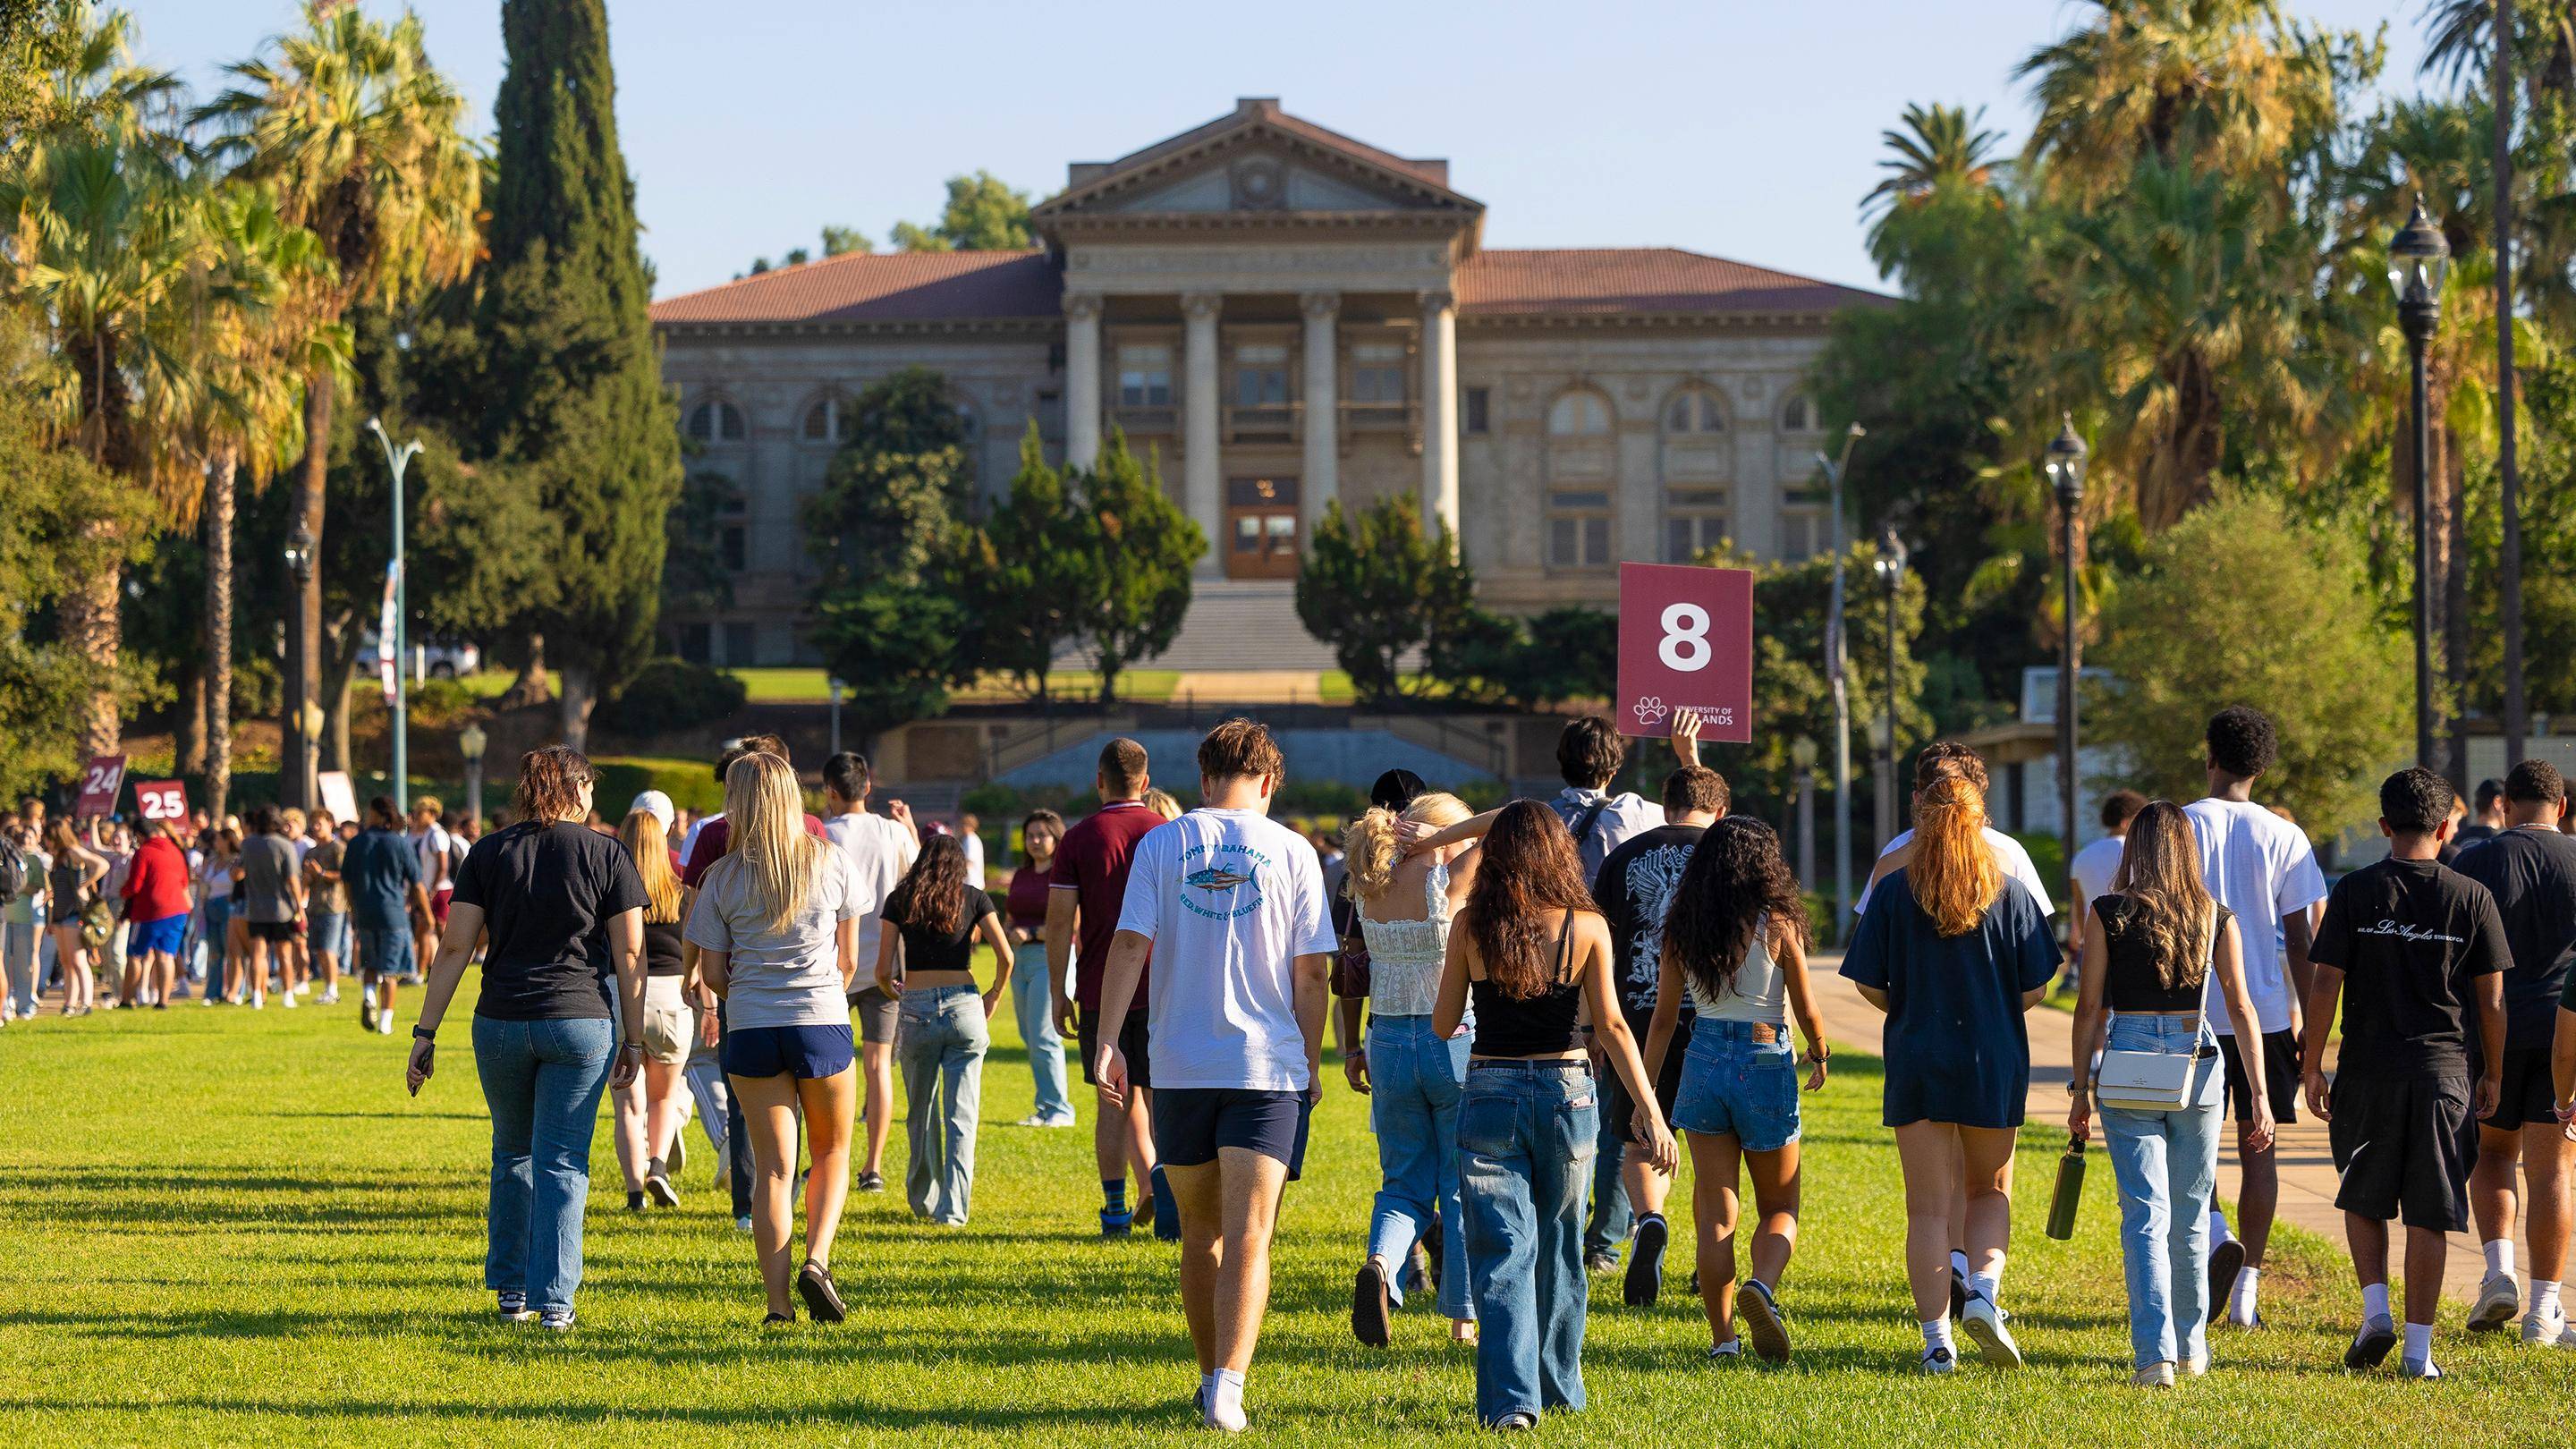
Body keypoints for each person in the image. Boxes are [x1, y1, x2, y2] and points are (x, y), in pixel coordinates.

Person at [1091, 720, 1337, 1433]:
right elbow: (1314, 971)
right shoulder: (1292, 849)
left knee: (1201, 1231)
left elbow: (1130, 944)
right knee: (1251, 1233)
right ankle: (1228, 1387)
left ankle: (1210, 1381)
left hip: (1179, 1065)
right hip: (1265, 1067)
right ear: (1268, 783)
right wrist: (1311, 1061)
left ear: (1203, 780)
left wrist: (1110, 1041)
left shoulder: (1161, 842)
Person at [1428, 801, 1675, 1428]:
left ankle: (1512, 1403)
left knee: (1501, 1248)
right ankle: (1558, 1387)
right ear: (1559, 854)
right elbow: (1614, 1026)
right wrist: (1650, 1110)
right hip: (1568, 1093)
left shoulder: (1471, 927)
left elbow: (1442, 1022)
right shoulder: (1587, 926)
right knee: (1562, 1245)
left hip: (1489, 1091)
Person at [406, 745, 650, 1331]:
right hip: (580, 1021)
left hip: (501, 1022)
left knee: (511, 1152)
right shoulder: (607, 854)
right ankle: (556, 1302)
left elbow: (456, 948)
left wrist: (425, 1031)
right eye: (589, 787)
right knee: (562, 1161)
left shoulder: (487, 853)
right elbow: (630, 952)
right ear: (578, 790)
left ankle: (512, 1290)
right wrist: (634, 1039)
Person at [1843, 770, 2060, 1373]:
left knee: (1928, 1211)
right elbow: (2037, 984)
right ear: (1978, 817)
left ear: (1923, 817)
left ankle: (1937, 1340)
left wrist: (1908, 1008)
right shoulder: (2010, 892)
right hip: (1993, 1056)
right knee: (1988, 1189)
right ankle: (1984, 1293)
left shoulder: (1892, 891)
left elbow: (1867, 981)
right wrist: (1992, 1005)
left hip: (1916, 1055)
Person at [2300, 767, 2509, 1379]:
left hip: (2366, 1071)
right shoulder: (2471, 897)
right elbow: (2492, 1001)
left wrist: (2312, 1065)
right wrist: (2491, 1072)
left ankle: (2375, 1313)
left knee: (2362, 1191)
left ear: (2384, 825)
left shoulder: (2355, 891)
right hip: (2445, 1073)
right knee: (2430, 1208)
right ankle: (2419, 1353)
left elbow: (2325, 982)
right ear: (2447, 826)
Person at [2066, 801, 2275, 1387]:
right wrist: (2258, 1093)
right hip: (2199, 1062)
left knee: (2144, 1217)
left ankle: (2153, 1358)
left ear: (2134, 848)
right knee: (2189, 1216)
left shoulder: (2109, 912)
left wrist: (2080, 1091)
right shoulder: (2215, 914)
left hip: (2129, 1057)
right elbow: (2240, 1005)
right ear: (2188, 849)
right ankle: (2192, 1347)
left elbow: (2089, 1008)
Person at [1639, 816, 1826, 1363]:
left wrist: (1647, 1097)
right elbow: (1808, 1007)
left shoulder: (1684, 927)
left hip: (1703, 1059)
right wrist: (1819, 1051)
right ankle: (1761, 1287)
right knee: (1780, 1205)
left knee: (1715, 1214)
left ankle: (1724, 1340)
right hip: (1764, 1059)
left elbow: (1663, 1021)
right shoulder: (1778, 923)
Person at [689, 749, 862, 1323]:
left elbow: (711, 972)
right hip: (820, 1020)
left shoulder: (722, 876)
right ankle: (817, 1259)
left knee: (772, 1170)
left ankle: (778, 1305)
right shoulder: (830, 861)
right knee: (832, 1150)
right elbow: (849, 960)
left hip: (753, 1026)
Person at [2182, 707, 2327, 1329]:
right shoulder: (2285, 836)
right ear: (2262, 768)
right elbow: (2303, 940)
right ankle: (2246, 1295)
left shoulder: (2178, 825)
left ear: (2210, 756)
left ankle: (2214, 1236)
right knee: (2259, 1145)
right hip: (2264, 1014)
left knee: (2192, 1145)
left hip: (2187, 1012)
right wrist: (2313, 1034)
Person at [1342, 789, 1482, 1347]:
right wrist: (1451, 840)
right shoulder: (1444, 883)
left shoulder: (1371, 886)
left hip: (1389, 1042)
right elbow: (1511, 823)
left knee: (1402, 1182)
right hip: (1452, 1040)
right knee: (1461, 1183)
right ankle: (1463, 1319)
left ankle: (1382, 1264)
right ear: (1442, 837)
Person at [1592, 750, 1728, 1309]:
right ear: (1719, 813)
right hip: (1720, 1020)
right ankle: (1710, 1259)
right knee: (1715, 1152)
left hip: (1638, 1019)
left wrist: (1590, 1027)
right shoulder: (1731, 857)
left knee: (1639, 1141)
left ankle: (1649, 1219)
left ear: (1664, 808)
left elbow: (1595, 943)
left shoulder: (1624, 857)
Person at [2448, 759, 2576, 1345]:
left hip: (2491, 1029)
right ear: (2563, 809)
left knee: (2493, 1154)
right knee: (2553, 1166)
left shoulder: (2477, 859)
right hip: (2564, 1033)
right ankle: (2545, 1311)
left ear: (2504, 804)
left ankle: (2500, 1272)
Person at [1548, 715, 1677, 1276]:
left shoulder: (1543, 819)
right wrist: (1688, 753)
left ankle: (1561, 1226)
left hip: (1550, 972)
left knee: (1565, 1109)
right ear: (1615, 765)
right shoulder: (1635, 813)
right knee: (1621, 1111)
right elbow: (1698, 816)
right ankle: (1605, 1241)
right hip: (1623, 974)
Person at [1048, 738, 1171, 1238]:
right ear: (1145, 783)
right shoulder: (1166, 832)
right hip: (1164, 990)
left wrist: (1059, 990)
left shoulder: (1078, 838)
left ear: (1099, 781)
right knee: (1166, 1103)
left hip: (1101, 990)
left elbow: (1059, 924)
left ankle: (1115, 1211)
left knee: (1110, 1103)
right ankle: (1171, 1206)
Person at [877, 834, 1012, 1224]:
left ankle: (923, 1199)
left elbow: (883, 971)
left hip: (917, 1006)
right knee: (961, 1116)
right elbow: (1006, 955)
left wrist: (894, 992)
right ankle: (953, 1211)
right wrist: (994, 996)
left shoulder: (900, 900)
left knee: (920, 1111)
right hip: (966, 1006)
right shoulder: (975, 898)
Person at [817, 750, 918, 1194]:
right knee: (878, 1067)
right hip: (884, 963)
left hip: (831, 963)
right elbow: (917, 882)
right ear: (868, 788)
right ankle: (872, 1166)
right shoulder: (891, 832)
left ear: (829, 791)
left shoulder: (819, 835)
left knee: (821, 1068)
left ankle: (823, 1157)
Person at [614, 801, 699, 1212]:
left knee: (629, 1104)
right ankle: (658, 1166)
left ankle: (634, 1195)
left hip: (622, 995)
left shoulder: (610, 890)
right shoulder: (680, 891)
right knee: (665, 1097)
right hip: (671, 995)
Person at [1003, 809, 1076, 1128]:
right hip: (1020, 961)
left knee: (1045, 1036)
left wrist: (1032, 933)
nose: (1034, 841)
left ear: (1056, 838)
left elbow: (1070, 922)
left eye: (1041, 835)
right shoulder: (1021, 875)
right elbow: (1010, 917)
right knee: (1029, 1036)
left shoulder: (1062, 875)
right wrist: (1005, 935)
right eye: (1029, 835)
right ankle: (1045, 1108)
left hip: (1052, 958)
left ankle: (1060, 1109)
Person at [343, 799, 428, 1035]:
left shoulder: (357, 843)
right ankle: (385, 1022)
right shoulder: (399, 843)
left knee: (370, 962)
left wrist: (353, 908)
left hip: (365, 911)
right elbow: (417, 883)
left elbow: (347, 881)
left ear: (378, 815)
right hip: (393, 912)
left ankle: (369, 996)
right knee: (391, 970)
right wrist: (428, 915)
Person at [2068, 790, 2148, 986]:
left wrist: (2079, 938)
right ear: (2126, 821)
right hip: (2132, 941)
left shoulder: (2082, 856)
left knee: (2094, 1008)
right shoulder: (2139, 852)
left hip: (2092, 942)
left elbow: (2079, 906)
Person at [234, 807, 305, 1011]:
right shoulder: (284, 845)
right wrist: (299, 907)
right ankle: (288, 995)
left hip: (255, 907)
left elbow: (238, 871)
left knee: (258, 954)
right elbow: (292, 879)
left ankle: (256, 994)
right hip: (281, 908)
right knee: (284, 954)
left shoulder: (248, 845)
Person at [119, 818, 191, 1012]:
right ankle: (163, 1001)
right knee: (166, 955)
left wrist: (121, 892)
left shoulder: (143, 852)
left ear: (139, 836)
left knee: (135, 955)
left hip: (149, 912)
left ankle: (127, 1000)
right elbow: (184, 880)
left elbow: (135, 885)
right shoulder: (175, 850)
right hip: (177, 910)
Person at [42, 821, 100, 1016]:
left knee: (78, 959)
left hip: (74, 914)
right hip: (59, 915)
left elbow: (101, 864)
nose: (47, 843)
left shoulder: (73, 852)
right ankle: (69, 1003)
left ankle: (86, 1003)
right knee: (66, 961)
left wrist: (86, 885)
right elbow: (55, 892)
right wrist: (51, 920)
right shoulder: (58, 857)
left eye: (49, 838)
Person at [4, 822, 48, 1021]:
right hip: (5, 916)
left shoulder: (34, 861)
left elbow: (40, 887)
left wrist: (16, 887)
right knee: (3, 963)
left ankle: (25, 1004)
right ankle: (5, 1004)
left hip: (24, 916)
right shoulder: (7, 858)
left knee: (24, 962)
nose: (25, 842)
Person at [303, 810, 346, 1007]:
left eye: (319, 823)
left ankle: (333, 989)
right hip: (315, 905)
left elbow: (344, 875)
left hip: (333, 905)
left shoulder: (338, 848)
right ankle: (327, 987)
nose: (315, 827)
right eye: (313, 823)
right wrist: (309, 877)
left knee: (329, 949)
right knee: (319, 949)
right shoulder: (311, 852)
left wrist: (321, 873)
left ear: (330, 823)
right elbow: (307, 879)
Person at [409, 796, 453, 983]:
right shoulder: (425, 834)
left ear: (432, 814)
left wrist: (433, 888)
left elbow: (443, 865)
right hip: (429, 888)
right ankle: (424, 971)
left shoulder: (437, 834)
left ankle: (442, 969)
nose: (417, 816)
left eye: (421, 813)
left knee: (438, 930)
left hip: (439, 890)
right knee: (424, 929)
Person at [196, 826, 237, 1008]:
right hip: (211, 906)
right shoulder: (212, 861)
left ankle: (234, 990)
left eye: (219, 839)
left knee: (230, 950)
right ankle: (213, 992)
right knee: (215, 951)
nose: (215, 843)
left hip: (228, 907)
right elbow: (204, 882)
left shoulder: (235, 861)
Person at [2461, 779, 2510, 848]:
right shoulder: (2502, 842)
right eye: (2508, 804)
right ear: (2497, 802)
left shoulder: (2458, 838)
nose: (2509, 810)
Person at [958, 811, 987, 885]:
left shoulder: (971, 839)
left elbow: (969, 861)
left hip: (972, 882)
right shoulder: (968, 839)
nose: (960, 827)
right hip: (970, 882)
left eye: (962, 824)